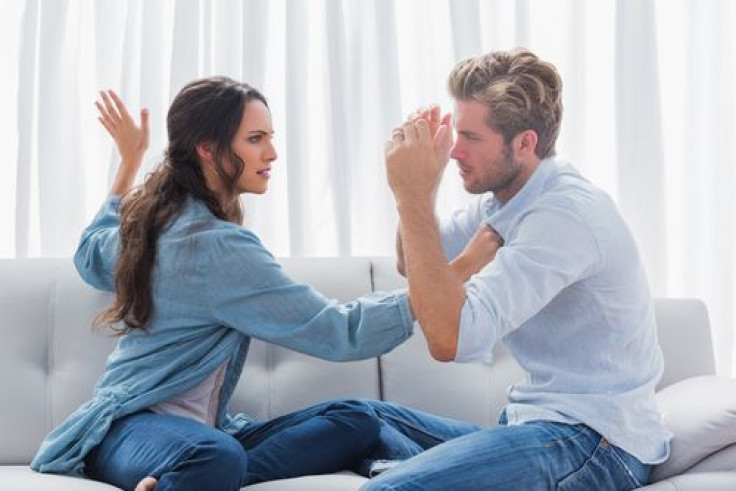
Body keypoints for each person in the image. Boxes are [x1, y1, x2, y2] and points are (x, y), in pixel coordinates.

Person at [30, 77, 494, 490]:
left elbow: (90, 252)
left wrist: (128, 162)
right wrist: (458, 270)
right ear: (208, 150)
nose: (271, 153)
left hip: (204, 435)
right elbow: (339, 331)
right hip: (132, 430)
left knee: (354, 419)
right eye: (255, 139)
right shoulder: (212, 246)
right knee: (215, 457)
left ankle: (196, 481)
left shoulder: (158, 224)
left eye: (270, 137)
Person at [364, 48, 671, 490]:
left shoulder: (564, 215)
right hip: (535, 425)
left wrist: (410, 195)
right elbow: (408, 262)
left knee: (386, 490)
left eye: (471, 137)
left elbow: (451, 339)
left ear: (524, 143)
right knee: (364, 419)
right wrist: (418, 191)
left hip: (597, 442)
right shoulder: (504, 201)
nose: (455, 151)